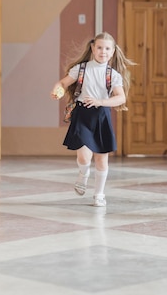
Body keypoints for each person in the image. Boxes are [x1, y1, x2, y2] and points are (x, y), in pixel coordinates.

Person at [50, 32, 135, 208]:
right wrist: (57, 90)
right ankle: (83, 173)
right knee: (83, 156)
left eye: (107, 48)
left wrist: (101, 102)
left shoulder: (113, 75)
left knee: (101, 159)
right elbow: (63, 83)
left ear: (112, 52)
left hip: (101, 116)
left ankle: (99, 194)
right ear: (92, 48)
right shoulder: (81, 69)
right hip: (82, 115)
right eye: (99, 47)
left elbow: (121, 98)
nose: (103, 51)